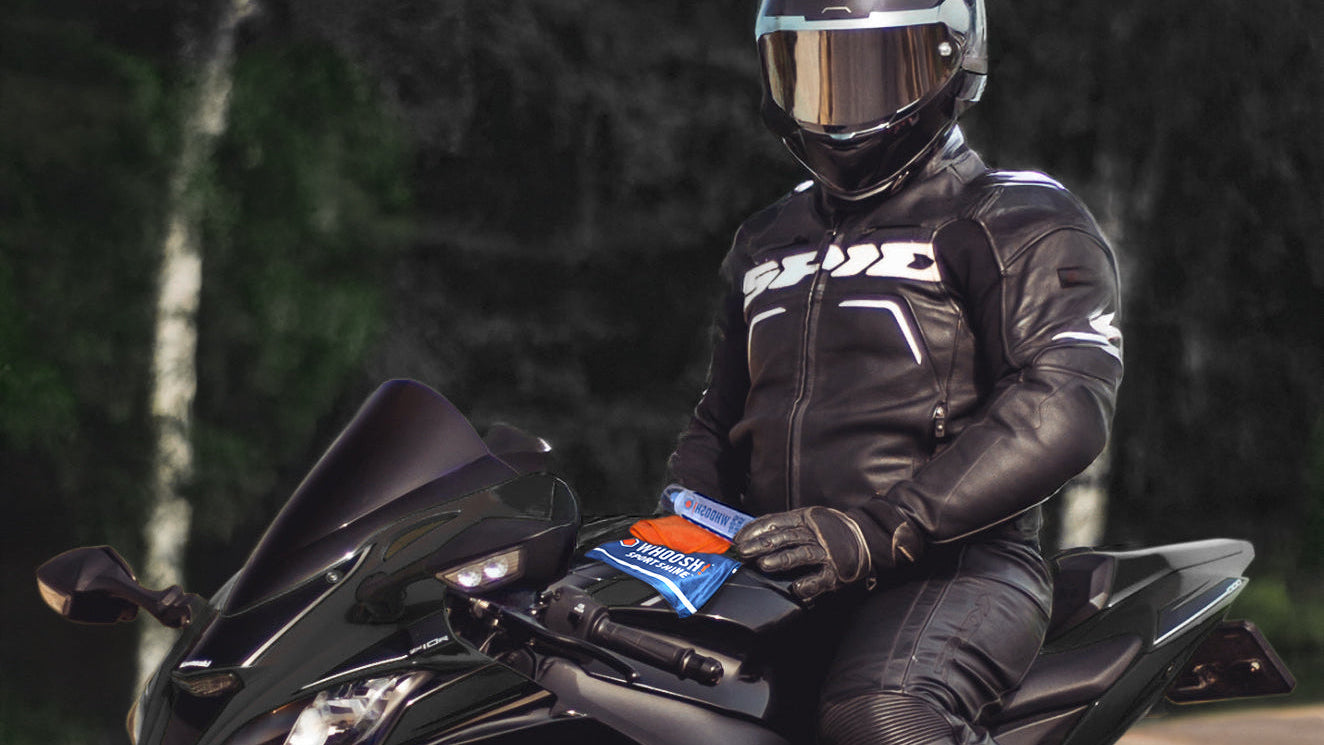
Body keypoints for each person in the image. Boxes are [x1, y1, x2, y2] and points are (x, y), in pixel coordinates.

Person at [666, 1, 1124, 744]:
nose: (840, 107)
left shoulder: (1017, 215)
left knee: (881, 715)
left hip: (957, 568)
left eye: (878, 70)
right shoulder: (766, 239)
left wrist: (876, 530)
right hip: (775, 570)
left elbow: (1063, 401)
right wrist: (679, 525)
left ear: (954, 63)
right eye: (816, 73)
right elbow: (717, 419)